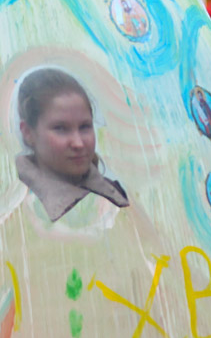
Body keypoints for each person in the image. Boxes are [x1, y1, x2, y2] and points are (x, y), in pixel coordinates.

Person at [16, 67, 129, 222]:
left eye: (84, 127)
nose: (78, 143)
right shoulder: (14, 213)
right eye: (61, 128)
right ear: (28, 133)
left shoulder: (116, 196)